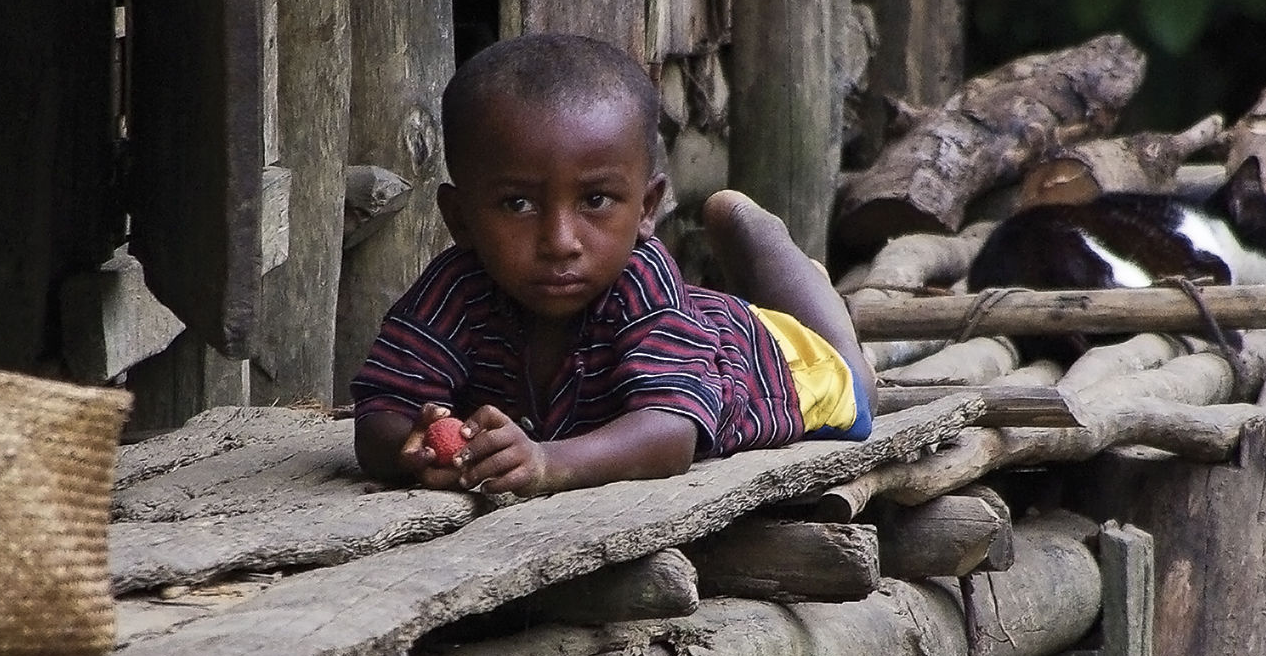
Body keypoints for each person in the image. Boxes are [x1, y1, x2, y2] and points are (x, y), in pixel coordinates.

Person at [351, 33, 874, 497]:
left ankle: (775, 253)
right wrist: (414, 445)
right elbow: (381, 414)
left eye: (596, 200)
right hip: (696, 324)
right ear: (459, 219)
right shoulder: (454, 288)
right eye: (518, 205)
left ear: (647, 209)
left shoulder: (640, 282)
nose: (560, 242)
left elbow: (669, 436)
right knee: (706, 305)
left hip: (775, 366)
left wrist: (544, 463)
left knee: (853, 382)